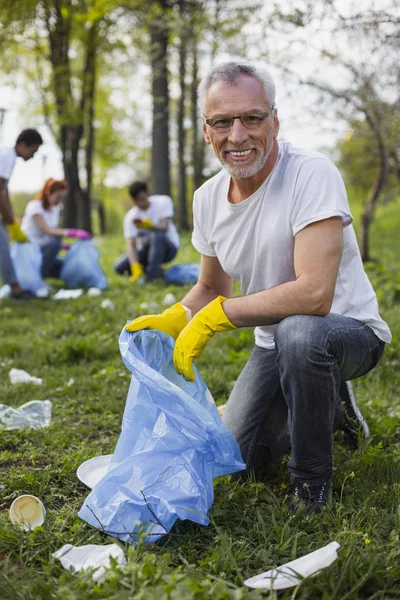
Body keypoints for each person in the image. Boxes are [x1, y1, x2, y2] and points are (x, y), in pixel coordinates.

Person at [125, 61, 392, 514]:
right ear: (207, 132)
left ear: (274, 121)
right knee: (238, 462)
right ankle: (323, 407)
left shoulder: (311, 174)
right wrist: (181, 316)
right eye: (222, 122)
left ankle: (311, 483)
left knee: (301, 332)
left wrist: (219, 317)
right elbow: (211, 285)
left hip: (348, 333)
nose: (238, 135)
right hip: (274, 343)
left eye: (251, 118)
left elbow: (314, 296)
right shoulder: (207, 198)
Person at [0, 128, 43, 298]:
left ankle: (14, 286)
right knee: (2, 244)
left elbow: (4, 191)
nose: (32, 156)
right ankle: (15, 288)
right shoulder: (6, 156)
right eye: (33, 151)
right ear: (23, 144)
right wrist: (10, 222)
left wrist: (9, 216)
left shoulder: (7, 156)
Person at [21, 178, 91, 278]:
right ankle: (39, 279)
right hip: (30, 249)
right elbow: (48, 231)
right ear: (48, 193)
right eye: (58, 197)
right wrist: (72, 232)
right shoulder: (35, 207)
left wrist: (63, 246)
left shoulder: (55, 209)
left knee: (64, 267)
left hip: (44, 249)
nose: (60, 201)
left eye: (62, 198)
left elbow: (52, 234)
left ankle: (45, 273)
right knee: (55, 244)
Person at [114, 181, 180, 282]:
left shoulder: (163, 201)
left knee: (157, 235)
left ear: (148, 193)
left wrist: (149, 226)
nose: (140, 203)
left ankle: (152, 277)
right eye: (136, 201)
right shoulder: (131, 216)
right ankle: (152, 271)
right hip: (147, 250)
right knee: (119, 267)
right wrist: (135, 266)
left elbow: (164, 226)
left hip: (168, 248)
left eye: (142, 199)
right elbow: (131, 245)